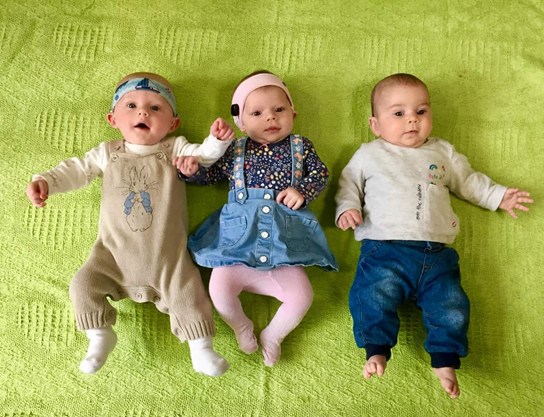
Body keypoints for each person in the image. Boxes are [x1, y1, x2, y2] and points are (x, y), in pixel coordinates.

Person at [335, 73, 533, 398]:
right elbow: (349, 185)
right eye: (398, 114)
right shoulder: (369, 154)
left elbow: (469, 182)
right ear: (375, 124)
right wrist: (347, 209)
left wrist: (498, 196)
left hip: (437, 254)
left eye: (421, 111)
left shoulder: (442, 153)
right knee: (371, 296)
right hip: (386, 250)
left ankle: (445, 359)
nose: (412, 119)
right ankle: (377, 349)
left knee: (452, 303)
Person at [26, 72, 235, 377]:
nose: (143, 112)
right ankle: (99, 335)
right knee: (82, 284)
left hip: (168, 260)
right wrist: (46, 181)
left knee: (190, 295)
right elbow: (77, 170)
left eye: (155, 108)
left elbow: (203, 157)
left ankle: (201, 349)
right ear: (113, 118)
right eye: (132, 105)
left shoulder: (175, 148)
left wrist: (216, 141)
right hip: (111, 257)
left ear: (172, 123)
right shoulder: (108, 153)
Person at [182, 70, 338, 367]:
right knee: (219, 291)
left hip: (283, 248)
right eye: (257, 112)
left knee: (302, 296)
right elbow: (211, 175)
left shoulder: (301, 147)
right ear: (240, 122)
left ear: (293, 113)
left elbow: (320, 173)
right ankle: (241, 325)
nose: (270, 118)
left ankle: (274, 335)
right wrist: (192, 171)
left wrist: (302, 190)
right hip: (237, 247)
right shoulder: (235, 150)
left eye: (279, 109)